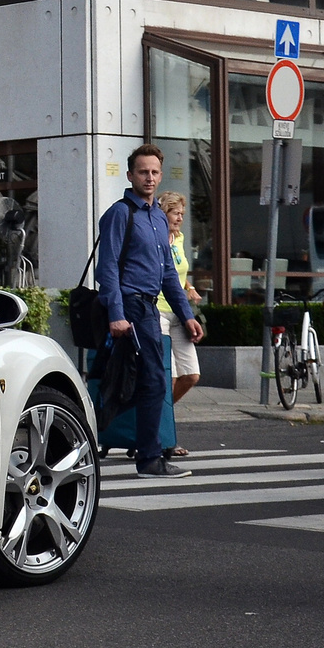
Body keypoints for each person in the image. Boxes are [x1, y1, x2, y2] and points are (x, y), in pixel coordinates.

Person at [97, 145, 204, 478]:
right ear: (130, 175)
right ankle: (149, 458)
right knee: (153, 380)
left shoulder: (158, 217)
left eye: (155, 172)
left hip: (148, 305)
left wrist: (187, 315)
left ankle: (140, 450)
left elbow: (169, 274)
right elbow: (108, 268)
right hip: (130, 305)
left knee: (144, 381)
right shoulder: (119, 214)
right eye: (143, 171)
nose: (149, 177)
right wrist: (116, 313)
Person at [158, 190, 202, 423]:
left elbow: (176, 269)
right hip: (157, 310)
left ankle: (158, 419)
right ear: (164, 213)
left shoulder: (180, 238)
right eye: (175, 213)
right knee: (169, 377)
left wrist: (189, 286)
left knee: (191, 375)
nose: (180, 218)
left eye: (182, 214)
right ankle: (162, 431)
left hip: (180, 311)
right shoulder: (154, 238)